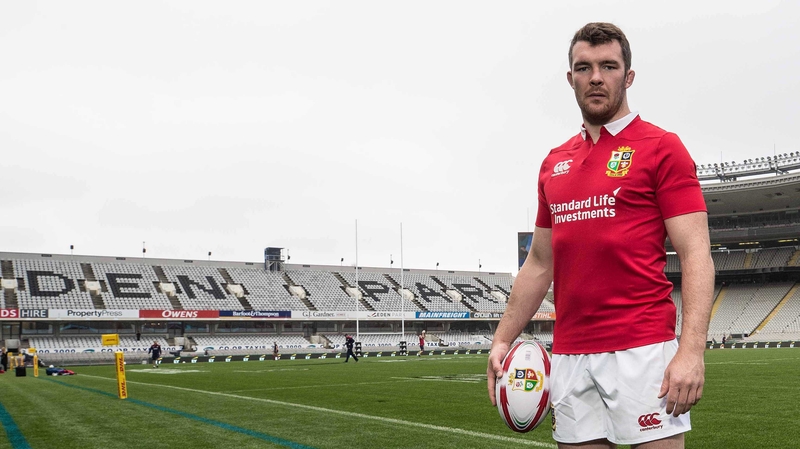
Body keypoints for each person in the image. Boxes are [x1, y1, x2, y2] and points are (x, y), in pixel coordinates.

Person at [487, 22, 714, 449]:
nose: (595, 77)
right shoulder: (553, 163)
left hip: (643, 349)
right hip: (569, 354)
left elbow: (696, 253)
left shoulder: (662, 147)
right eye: (584, 67)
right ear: (570, 78)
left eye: (608, 66)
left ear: (628, 76)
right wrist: (502, 338)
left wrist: (691, 351)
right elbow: (539, 263)